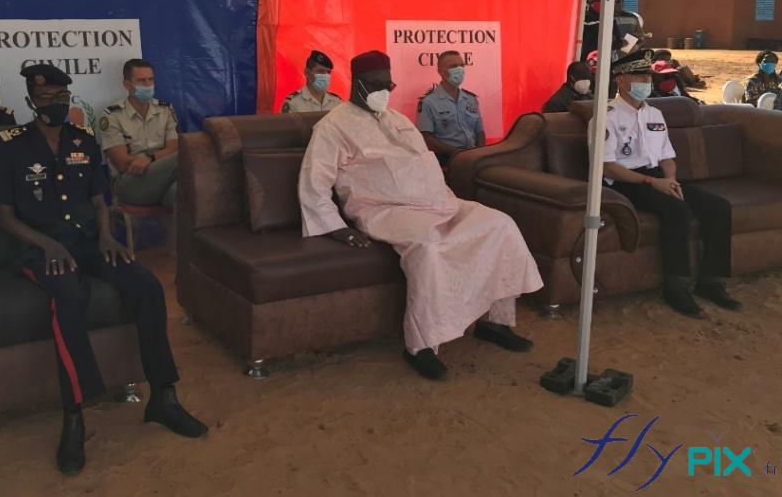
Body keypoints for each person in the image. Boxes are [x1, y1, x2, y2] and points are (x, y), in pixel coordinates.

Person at [0, 63, 206, 475]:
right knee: (69, 295)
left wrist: (106, 236)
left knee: (147, 286)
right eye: (46, 99)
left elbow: (101, 200)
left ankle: (164, 396)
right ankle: (75, 416)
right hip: (40, 250)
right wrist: (47, 243)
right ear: (31, 100)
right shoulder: (9, 145)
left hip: (88, 242)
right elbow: (5, 216)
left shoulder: (82, 139)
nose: (55, 105)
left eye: (62, 98)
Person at [299, 50, 543, 381]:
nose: (385, 91)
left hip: (436, 202)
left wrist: (445, 200)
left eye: (389, 84)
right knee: (429, 248)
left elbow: (423, 165)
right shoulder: (332, 127)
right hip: (384, 210)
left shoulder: (397, 119)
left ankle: (495, 322)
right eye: (377, 84)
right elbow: (314, 183)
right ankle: (422, 346)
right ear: (357, 83)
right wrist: (337, 228)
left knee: (500, 224)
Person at [597, 49, 740, 318]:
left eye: (646, 75)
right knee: (677, 210)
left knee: (718, 207)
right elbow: (607, 166)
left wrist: (670, 179)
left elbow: (667, 156)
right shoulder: (606, 116)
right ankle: (676, 287)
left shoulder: (654, 114)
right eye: (638, 75)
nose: (645, 81)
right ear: (620, 79)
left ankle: (712, 281)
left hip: (658, 177)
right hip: (625, 182)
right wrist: (653, 182)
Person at [99, 59, 178, 209]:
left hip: (162, 180)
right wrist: (159, 159)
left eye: (151, 79)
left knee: (183, 192)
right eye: (142, 81)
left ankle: (176, 233)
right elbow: (122, 163)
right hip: (130, 183)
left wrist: (149, 158)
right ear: (127, 84)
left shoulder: (165, 110)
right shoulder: (112, 115)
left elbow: (174, 147)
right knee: (187, 156)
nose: (148, 85)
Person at [416, 50, 485, 165]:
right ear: (440, 72)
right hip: (447, 160)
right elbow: (426, 139)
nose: (460, 69)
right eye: (453, 66)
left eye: (462, 65)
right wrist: (458, 154)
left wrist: (480, 153)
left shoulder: (471, 99)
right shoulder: (428, 102)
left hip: (473, 158)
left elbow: (480, 132)